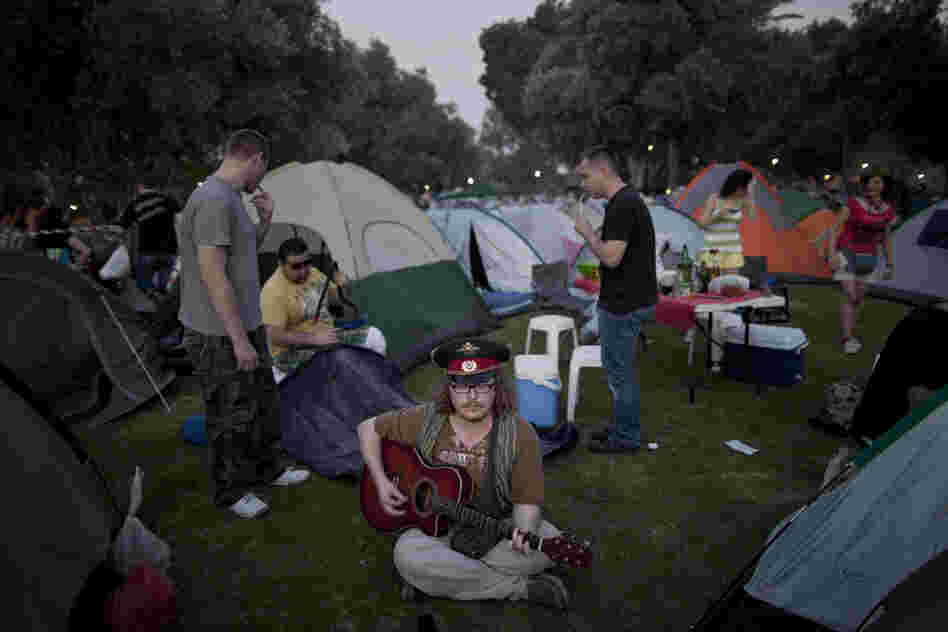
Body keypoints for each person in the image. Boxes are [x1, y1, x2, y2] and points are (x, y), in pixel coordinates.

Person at [356, 339, 569, 610]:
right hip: (437, 532)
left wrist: (524, 530)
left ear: (496, 387)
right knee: (407, 554)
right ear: (449, 388)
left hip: (494, 526)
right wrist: (380, 480)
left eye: (482, 385)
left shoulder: (519, 433)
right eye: (461, 386)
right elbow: (368, 428)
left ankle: (438, 578)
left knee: (549, 546)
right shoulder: (427, 419)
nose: (472, 396)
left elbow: (527, 501)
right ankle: (519, 588)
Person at [177, 129, 310, 519]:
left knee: (261, 403)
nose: (262, 178)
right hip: (217, 332)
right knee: (229, 414)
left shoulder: (231, 198)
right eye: (264, 169)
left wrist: (265, 220)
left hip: (244, 324)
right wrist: (238, 340)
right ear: (256, 160)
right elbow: (213, 274)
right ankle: (231, 491)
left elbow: (242, 253)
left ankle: (268, 468)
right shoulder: (213, 200)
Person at [573, 146, 657, 454]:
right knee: (617, 369)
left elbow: (611, 257)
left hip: (624, 303)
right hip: (626, 298)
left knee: (619, 373)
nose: (583, 184)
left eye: (585, 176)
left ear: (604, 171)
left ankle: (626, 436)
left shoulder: (623, 204)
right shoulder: (623, 202)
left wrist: (586, 233)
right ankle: (622, 425)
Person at [260, 237, 387, 383]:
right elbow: (275, 336)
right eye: (296, 266)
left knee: (374, 337)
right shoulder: (273, 291)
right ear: (281, 264)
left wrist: (343, 287)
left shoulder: (314, 274)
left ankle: (374, 385)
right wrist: (314, 339)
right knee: (337, 358)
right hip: (291, 353)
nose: (303, 271)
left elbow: (338, 302)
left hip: (328, 337)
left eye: (307, 263)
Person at [828, 168, 898, 354]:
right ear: (865, 184)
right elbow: (834, 229)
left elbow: (886, 239)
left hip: (869, 256)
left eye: (878, 182)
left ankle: (850, 333)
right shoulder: (853, 203)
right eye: (871, 181)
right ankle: (847, 338)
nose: (874, 185)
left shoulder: (887, 210)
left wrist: (890, 264)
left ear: (884, 186)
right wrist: (831, 254)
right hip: (846, 252)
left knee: (858, 299)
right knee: (850, 294)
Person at [119, 180, 182, 293]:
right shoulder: (167, 199)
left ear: (140, 187)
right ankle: (159, 294)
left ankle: (146, 294)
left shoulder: (135, 203)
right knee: (161, 288)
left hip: (148, 250)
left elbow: (123, 226)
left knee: (143, 288)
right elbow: (180, 220)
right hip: (170, 251)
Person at [695, 169, 757, 276]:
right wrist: (718, 215)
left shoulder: (743, 200)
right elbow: (701, 224)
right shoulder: (714, 198)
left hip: (733, 248)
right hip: (713, 247)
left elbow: (752, 218)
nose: (745, 191)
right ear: (737, 186)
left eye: (747, 188)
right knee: (714, 283)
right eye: (745, 187)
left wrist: (751, 195)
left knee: (731, 283)